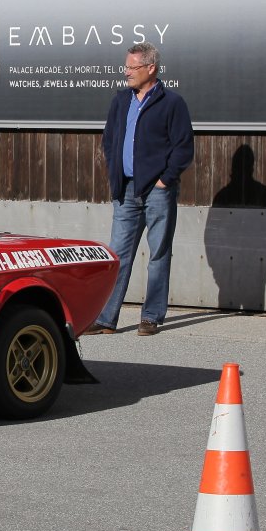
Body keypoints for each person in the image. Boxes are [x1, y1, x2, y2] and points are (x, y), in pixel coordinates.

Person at [82, 43, 193, 337]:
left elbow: (183, 147)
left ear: (150, 68)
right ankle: (106, 319)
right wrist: (115, 173)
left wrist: (165, 180)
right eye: (126, 67)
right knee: (118, 254)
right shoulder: (121, 101)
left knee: (158, 254)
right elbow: (109, 140)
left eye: (132, 67)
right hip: (126, 191)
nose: (126, 72)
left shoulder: (172, 103)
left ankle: (151, 316)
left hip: (158, 191)